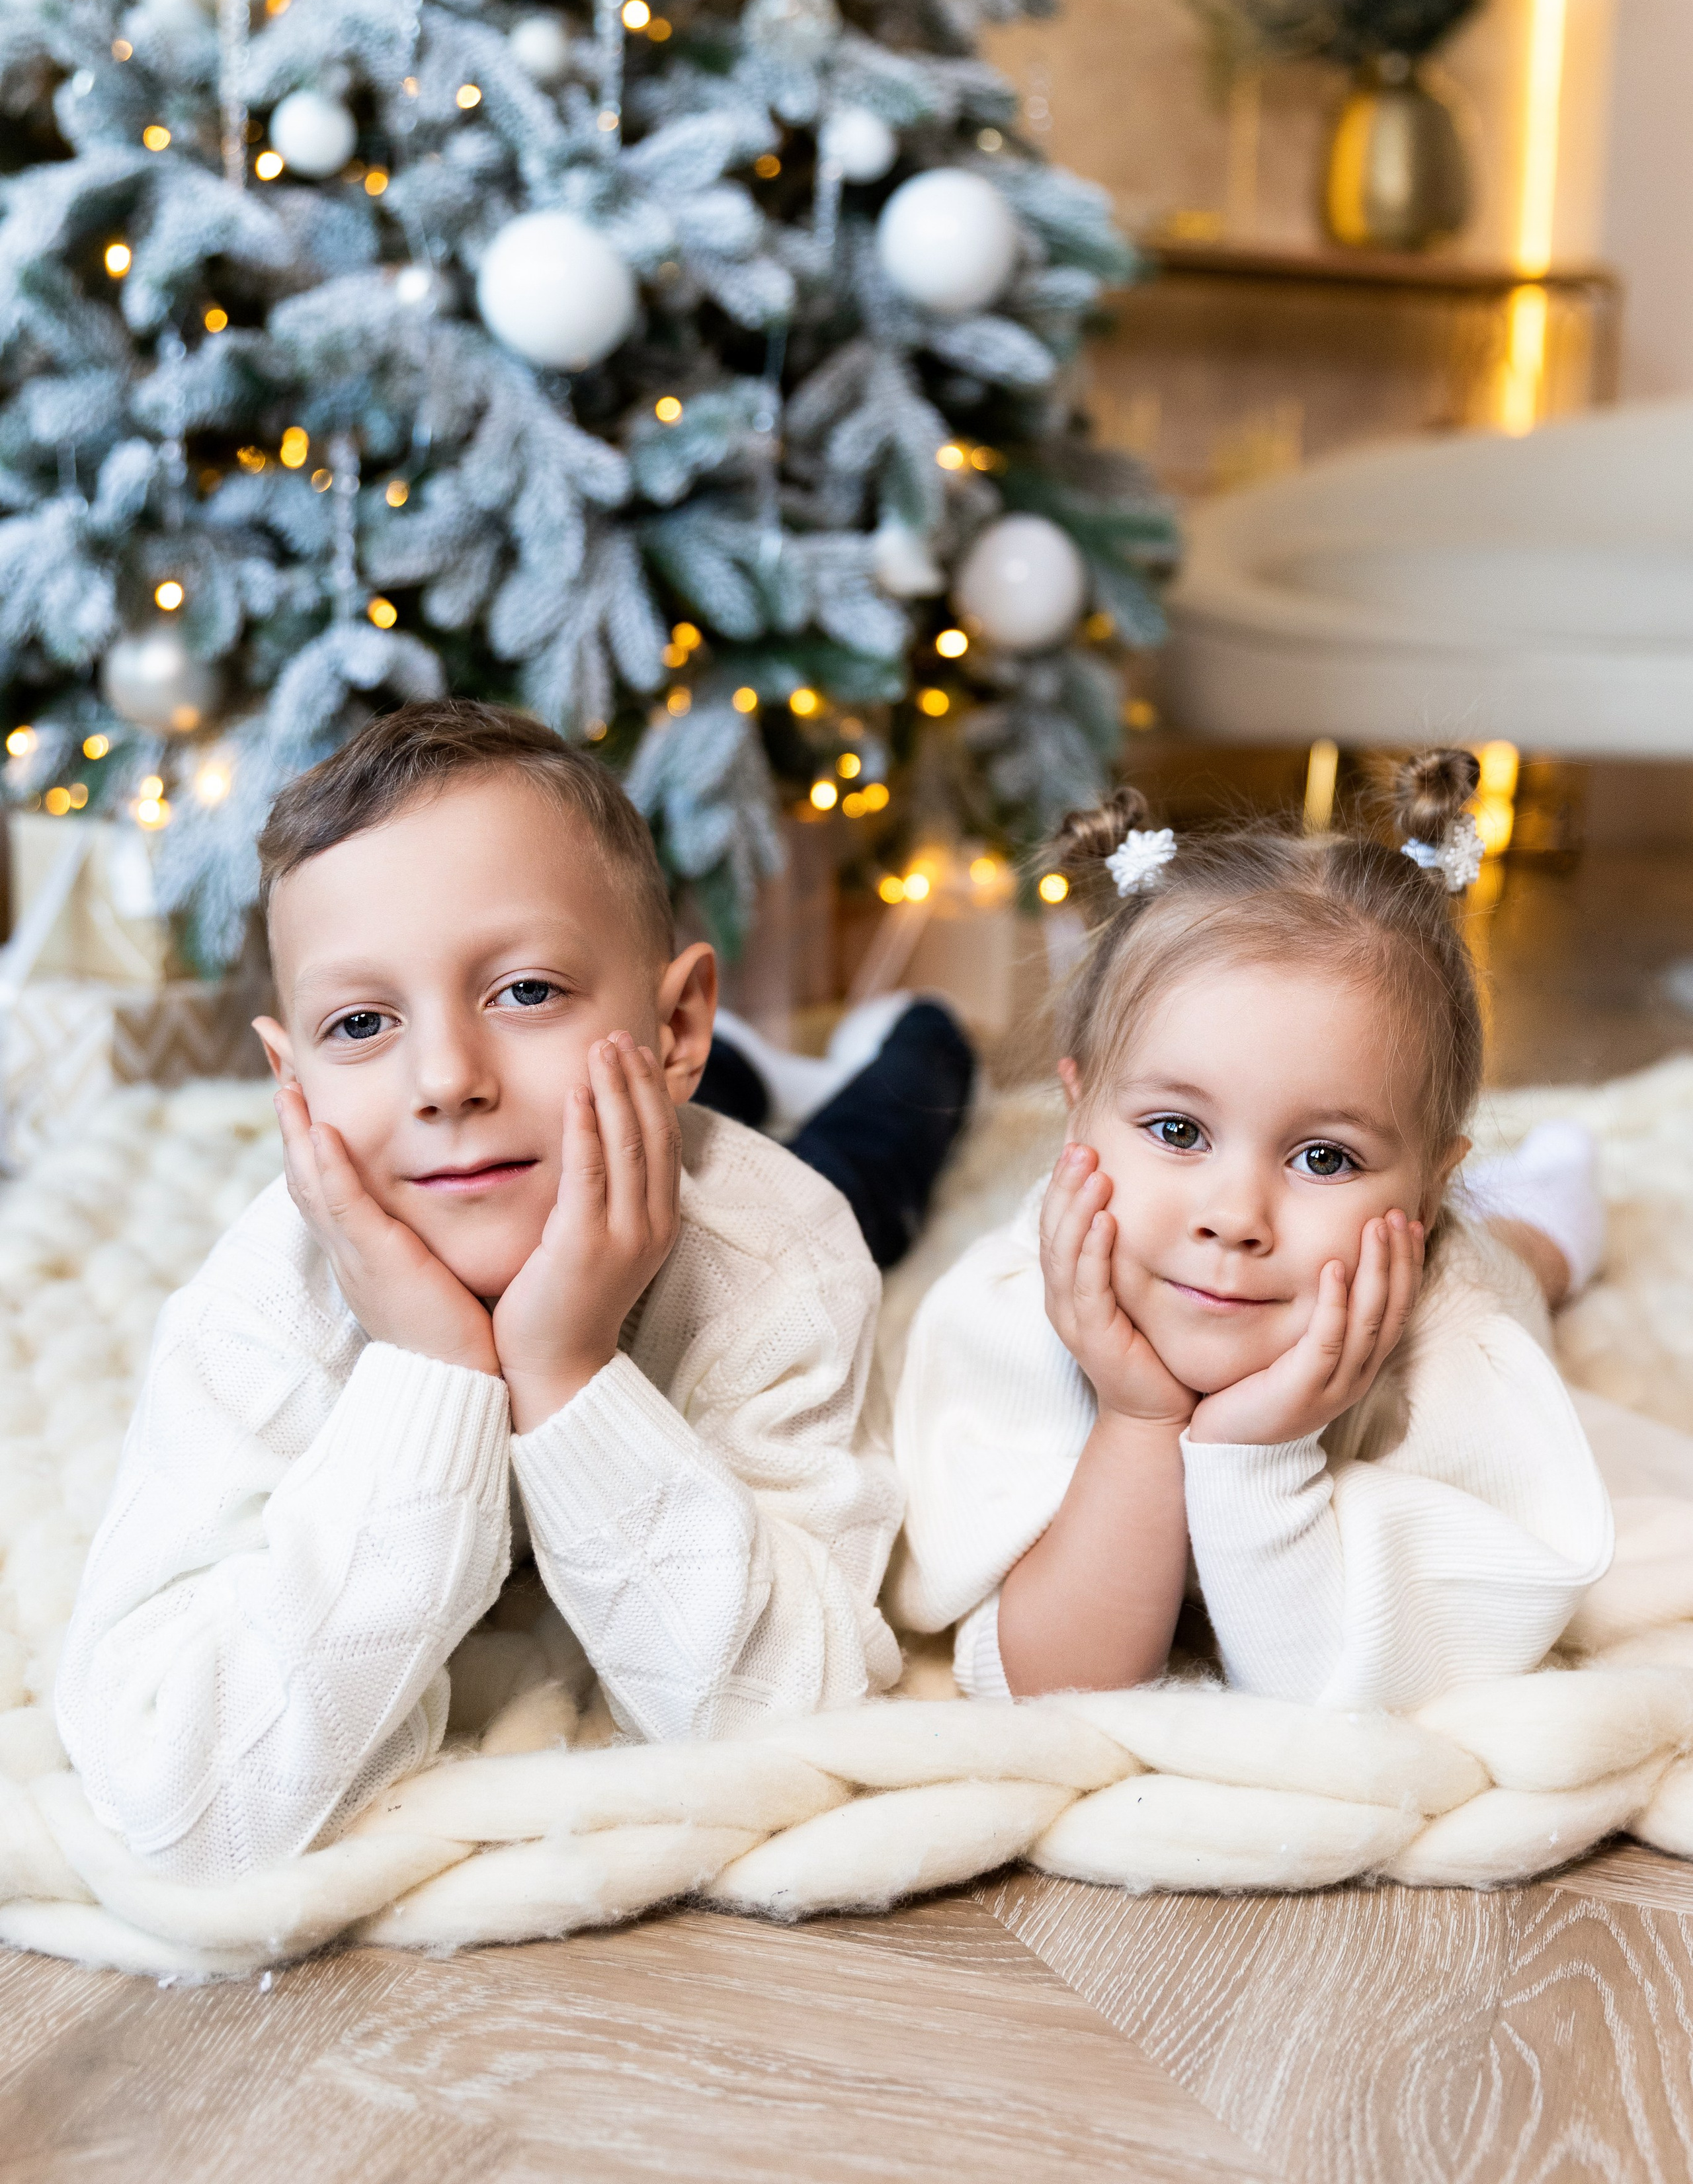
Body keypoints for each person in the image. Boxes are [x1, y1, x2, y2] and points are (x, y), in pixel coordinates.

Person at [56, 702, 905, 1884]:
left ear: (674, 1025)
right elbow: (189, 1803)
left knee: (886, 1153)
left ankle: (905, 1046)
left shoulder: (779, 1249)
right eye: (362, 1024)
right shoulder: (259, 1303)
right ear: (290, 1084)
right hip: (570, 1155)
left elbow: (799, 1718)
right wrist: (434, 1375)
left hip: (722, 1162)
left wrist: (567, 1372)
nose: (448, 1079)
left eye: (525, 993)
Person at [890, 750, 1615, 1709]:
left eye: (1325, 1157)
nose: (1234, 1220)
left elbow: (1344, 1687)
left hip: (1474, 1276)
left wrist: (1254, 1454)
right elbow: (1050, 1684)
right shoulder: (1020, 1305)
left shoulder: (1451, 1347)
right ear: (1077, 1116)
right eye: (1177, 1131)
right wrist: (1138, 1419)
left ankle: (1549, 1206)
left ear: (1431, 1190)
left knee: (1529, 1258)